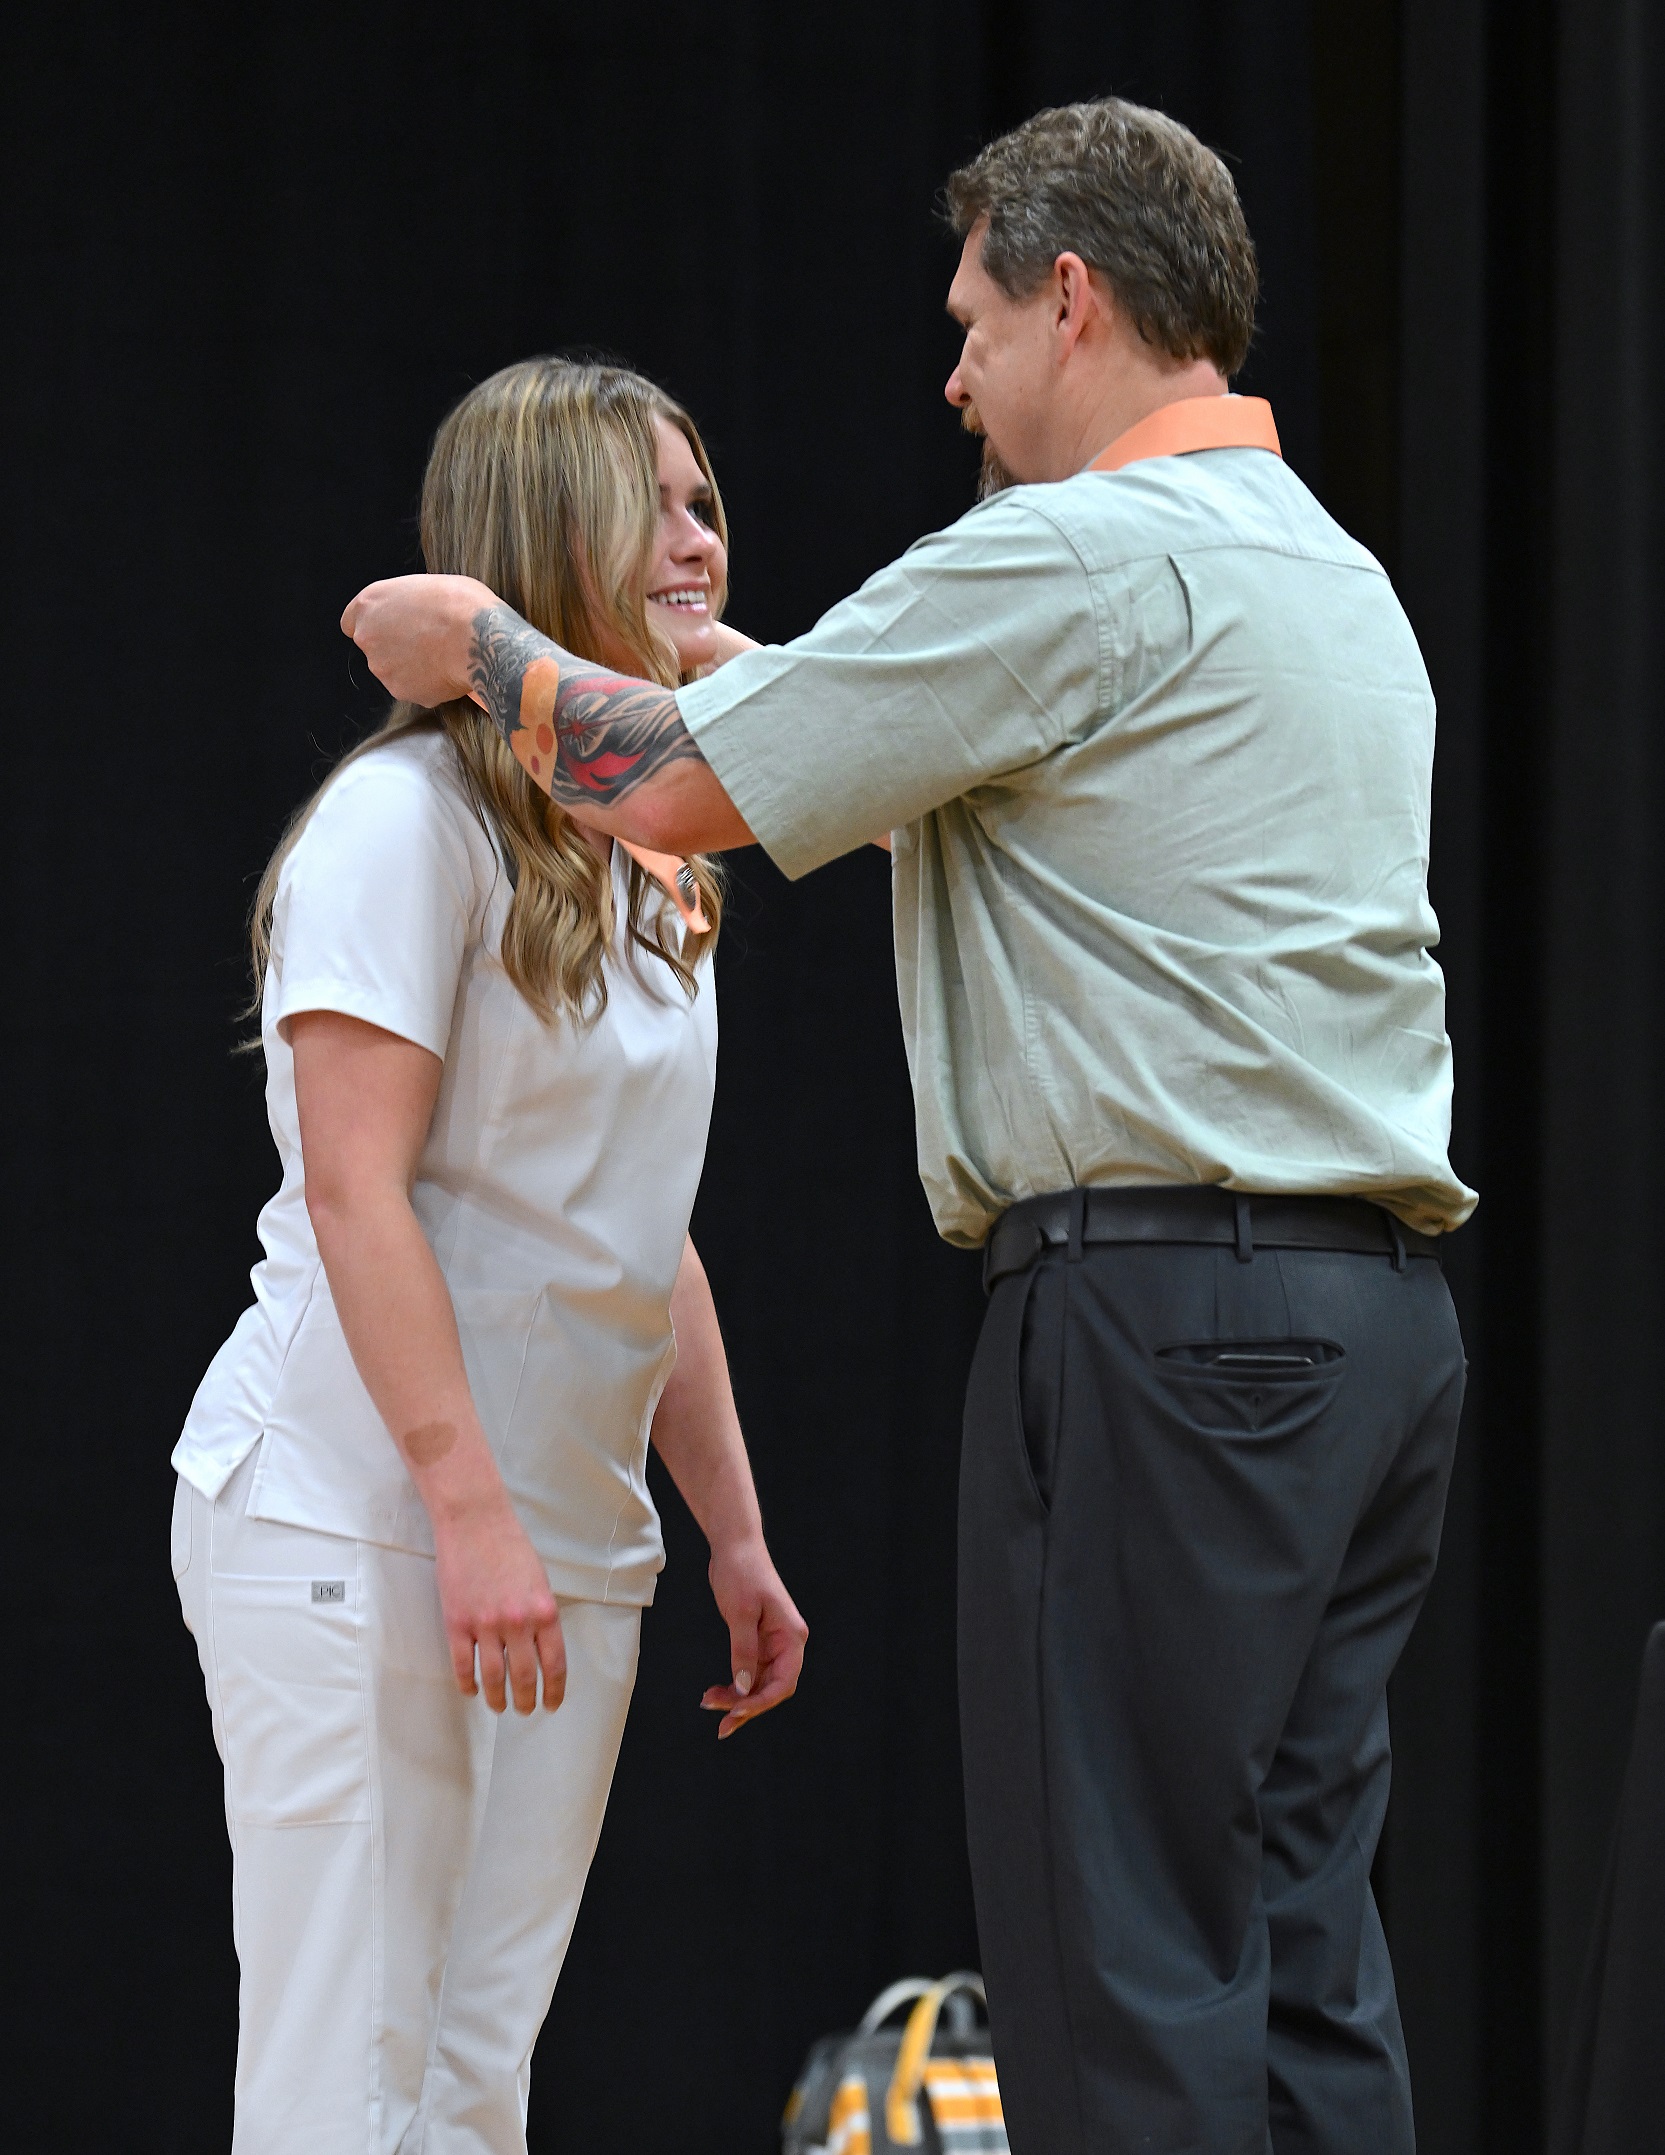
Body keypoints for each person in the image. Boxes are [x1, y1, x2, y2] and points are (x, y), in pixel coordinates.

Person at [343, 98, 1474, 2155]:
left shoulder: (1072, 550)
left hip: (1161, 1331)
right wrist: (758, 682)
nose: (947, 374)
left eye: (968, 321)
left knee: (1118, 1961)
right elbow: (972, 762)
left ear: (1071, 299)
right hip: (1368, 1339)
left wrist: (478, 645)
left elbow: (664, 786)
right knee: (1303, 1953)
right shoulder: (1329, 573)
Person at [173, 356, 807, 2155]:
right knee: (343, 2089)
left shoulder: (648, 850)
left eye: (706, 499)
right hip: (360, 1520)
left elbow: (635, 1221)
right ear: (548, 542)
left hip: (567, 1547)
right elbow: (357, 1197)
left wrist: (733, 1529)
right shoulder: (402, 825)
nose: (703, 538)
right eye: (662, 504)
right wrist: (464, 1513)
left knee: (469, 2084)